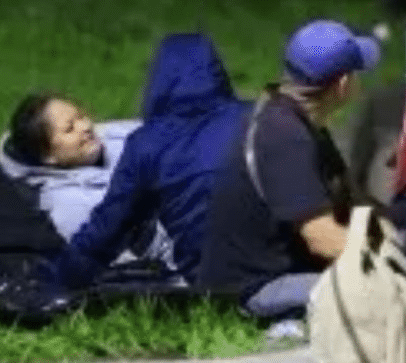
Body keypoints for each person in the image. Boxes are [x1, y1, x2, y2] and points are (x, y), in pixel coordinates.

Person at [198, 20, 380, 321]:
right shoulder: (284, 136)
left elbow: (353, 204)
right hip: (254, 289)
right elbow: (323, 239)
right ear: (344, 83)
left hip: (288, 268)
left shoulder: (296, 118)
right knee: (383, 289)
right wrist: (393, 263)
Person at [41, 33, 250, 289]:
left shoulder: (145, 144)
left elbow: (106, 231)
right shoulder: (259, 119)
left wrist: (59, 283)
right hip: (276, 256)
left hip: (208, 276)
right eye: (70, 127)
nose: (85, 127)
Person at [0, 93, 175, 268]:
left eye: (80, 116)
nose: (85, 126)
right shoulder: (68, 205)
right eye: (69, 128)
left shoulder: (108, 135)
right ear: (48, 156)